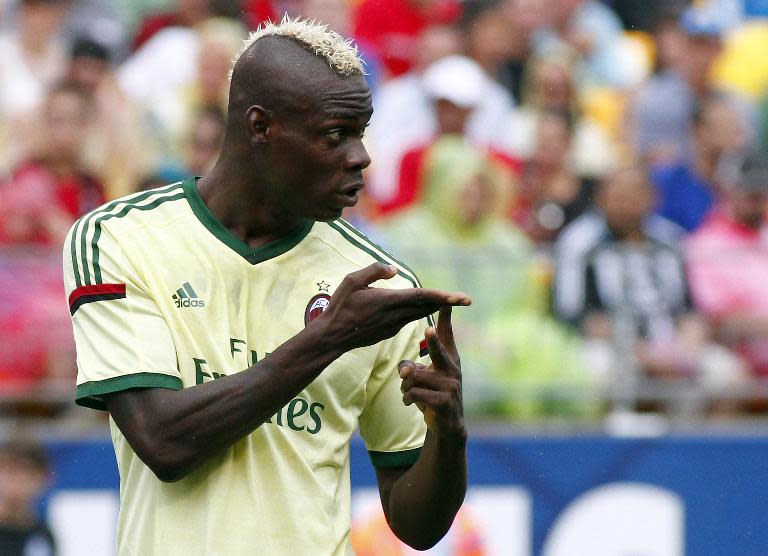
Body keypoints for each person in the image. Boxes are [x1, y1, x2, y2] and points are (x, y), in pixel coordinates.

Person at [63, 17, 471, 555]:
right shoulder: (119, 239)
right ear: (261, 127)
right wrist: (328, 338)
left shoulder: (382, 289)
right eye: (335, 134)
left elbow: (418, 528)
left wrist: (449, 430)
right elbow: (163, 441)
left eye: (361, 132)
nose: (360, 156)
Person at [0, 441, 56, 556]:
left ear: (43, 479)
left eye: (27, 474)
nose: (17, 481)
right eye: (11, 472)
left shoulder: (42, 536)